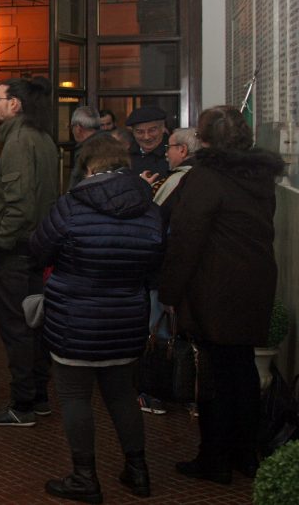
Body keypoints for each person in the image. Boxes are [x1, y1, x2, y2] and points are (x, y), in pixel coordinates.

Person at [30, 135, 164, 503]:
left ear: (87, 168)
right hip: (126, 320)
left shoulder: (71, 206)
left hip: (74, 320)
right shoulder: (149, 208)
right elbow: (156, 262)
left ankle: (84, 478)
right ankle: (138, 473)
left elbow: (38, 249)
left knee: (74, 397)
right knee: (122, 396)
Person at [159, 106, 285, 484]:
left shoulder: (205, 178)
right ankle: (245, 454)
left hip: (214, 289)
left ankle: (213, 459)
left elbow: (185, 241)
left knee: (212, 377)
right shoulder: (259, 176)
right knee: (242, 371)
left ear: (205, 139)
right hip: (254, 284)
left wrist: (169, 291)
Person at [0, 77, 59, 428]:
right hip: (38, 248)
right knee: (35, 325)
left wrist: (0, 242)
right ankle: (38, 396)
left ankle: (22, 404)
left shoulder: (18, 142)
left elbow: (19, 204)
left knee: (17, 329)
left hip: (16, 252)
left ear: (15, 104)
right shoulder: (43, 138)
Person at [137, 126, 201, 416]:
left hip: (165, 271)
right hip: (194, 274)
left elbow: (154, 223)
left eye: (171, 146)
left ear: (183, 151)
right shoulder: (204, 178)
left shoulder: (177, 180)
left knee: (158, 333)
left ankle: (155, 394)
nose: (166, 151)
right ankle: (190, 393)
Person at [126, 105, 170, 182]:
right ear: (133, 132)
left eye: (152, 130)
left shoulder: (173, 155)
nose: (146, 137)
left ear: (163, 128)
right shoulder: (126, 157)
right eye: (140, 132)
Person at [67, 106, 101, 189]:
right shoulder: (111, 143)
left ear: (78, 128)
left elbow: (77, 184)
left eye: (72, 127)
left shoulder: (86, 151)